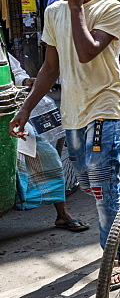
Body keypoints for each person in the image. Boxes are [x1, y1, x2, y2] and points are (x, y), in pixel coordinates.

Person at [9, 0, 120, 250]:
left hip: (107, 104)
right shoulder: (54, 12)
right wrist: (25, 110)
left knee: (101, 184)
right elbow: (51, 68)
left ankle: (113, 254)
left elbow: (87, 52)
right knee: (88, 183)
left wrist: (77, 8)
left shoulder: (111, 9)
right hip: (73, 109)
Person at [9, 54, 84, 232]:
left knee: (48, 155)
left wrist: (26, 80)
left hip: (8, 112)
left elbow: (16, 72)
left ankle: (62, 213)